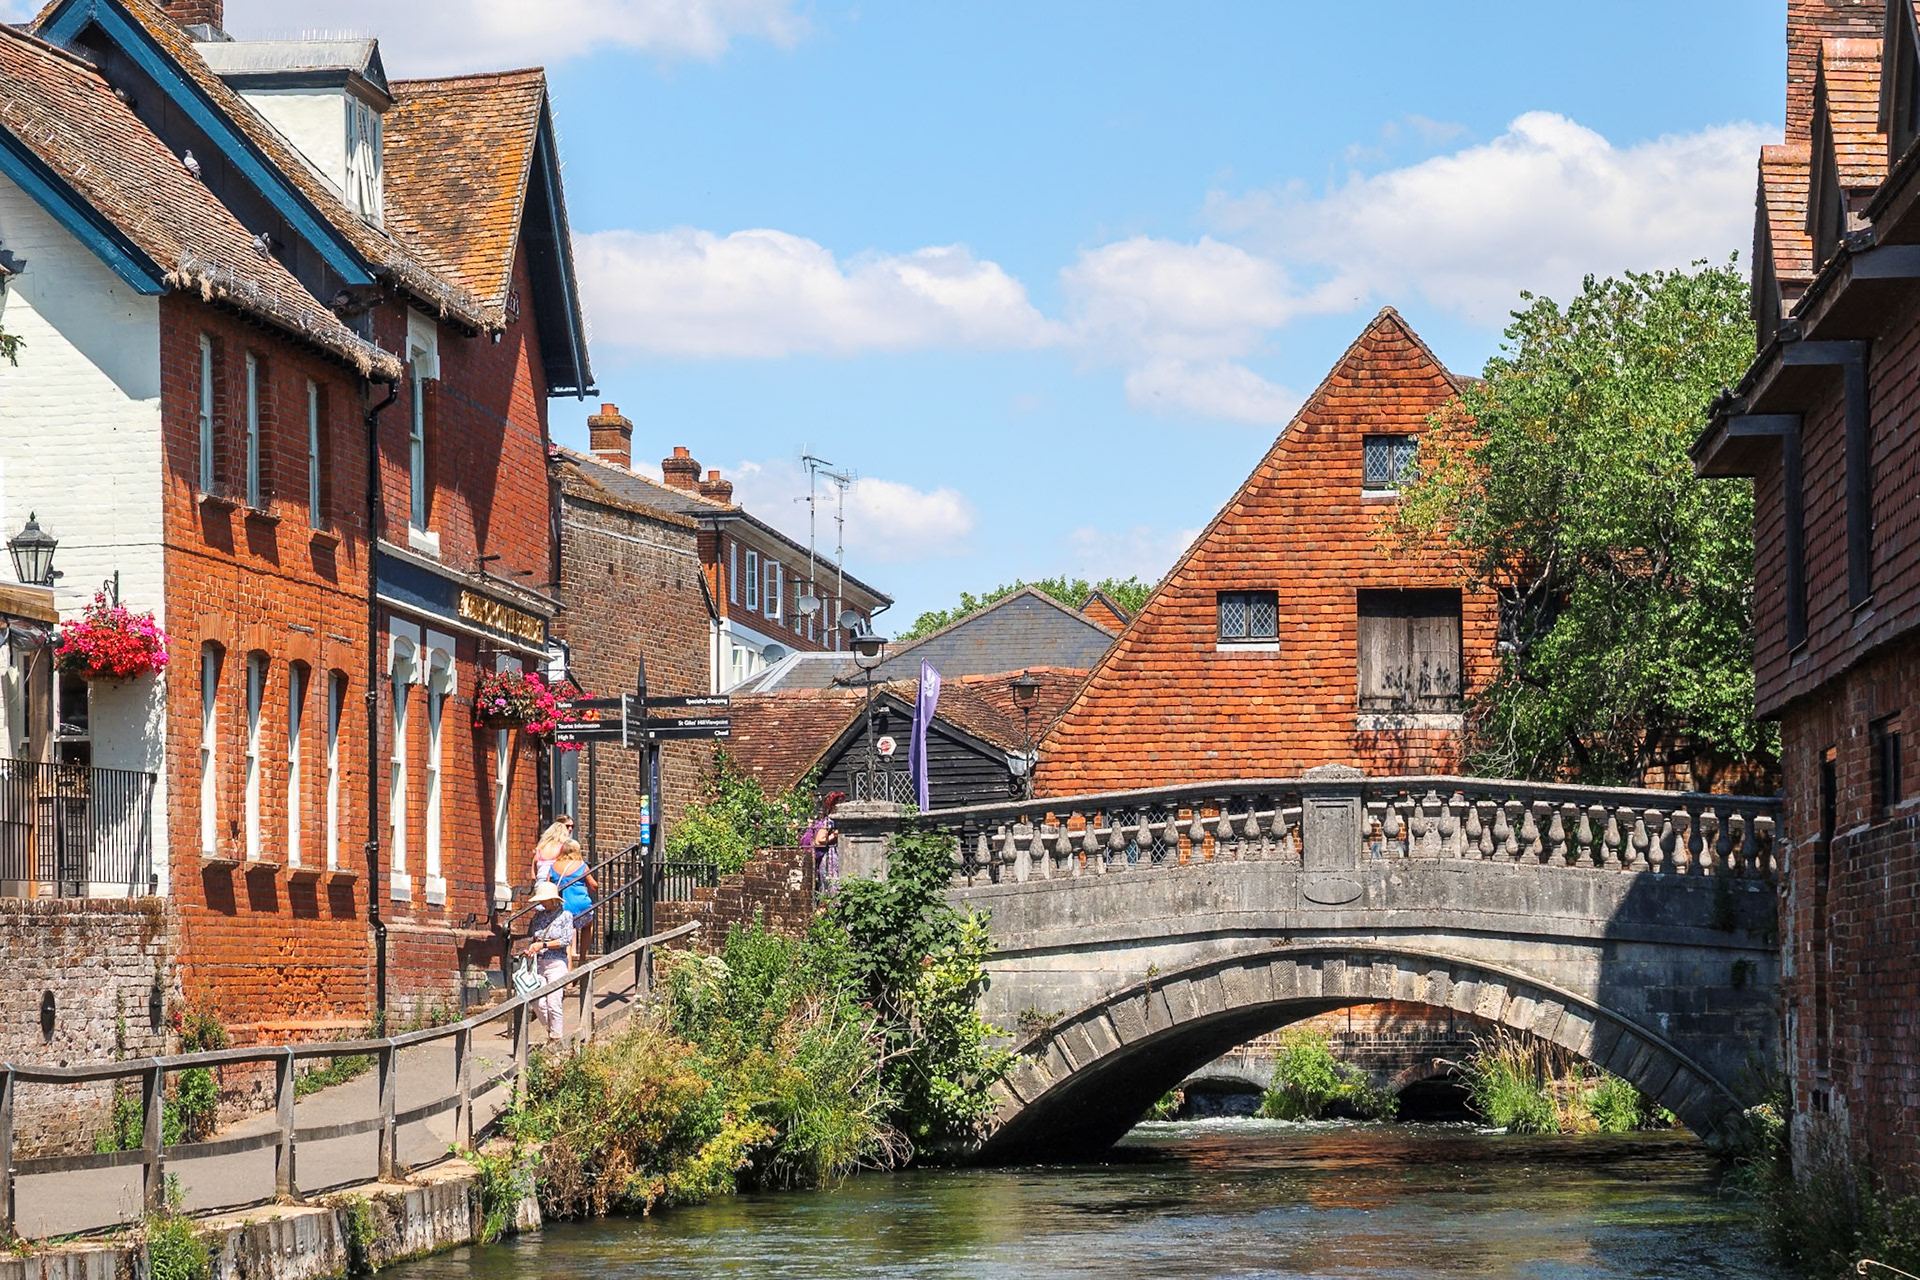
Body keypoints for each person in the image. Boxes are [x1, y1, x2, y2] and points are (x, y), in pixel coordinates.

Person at [523, 880, 574, 1042]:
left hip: (557, 963)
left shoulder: (566, 916)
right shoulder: (538, 917)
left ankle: (556, 1038)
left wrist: (543, 944)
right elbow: (535, 938)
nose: (541, 903)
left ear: (553, 899)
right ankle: (552, 1033)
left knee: (553, 1002)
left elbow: (566, 940)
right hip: (540, 963)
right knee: (538, 1002)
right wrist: (532, 949)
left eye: (544, 900)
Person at [546, 839, 598, 961]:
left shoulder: (553, 866)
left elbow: (547, 884)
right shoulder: (581, 865)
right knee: (587, 926)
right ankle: (582, 958)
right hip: (581, 904)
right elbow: (594, 885)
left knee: (567, 935)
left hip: (563, 905)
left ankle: (568, 968)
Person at [802, 792, 845, 889]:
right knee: (832, 885)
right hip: (830, 859)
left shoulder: (831, 820)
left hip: (834, 858)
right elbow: (819, 841)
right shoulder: (830, 821)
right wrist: (834, 835)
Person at [529, 816, 573, 887]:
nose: (570, 829)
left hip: (539, 885)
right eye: (567, 826)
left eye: (572, 827)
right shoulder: (563, 847)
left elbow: (533, 876)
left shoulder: (540, 848)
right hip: (555, 884)